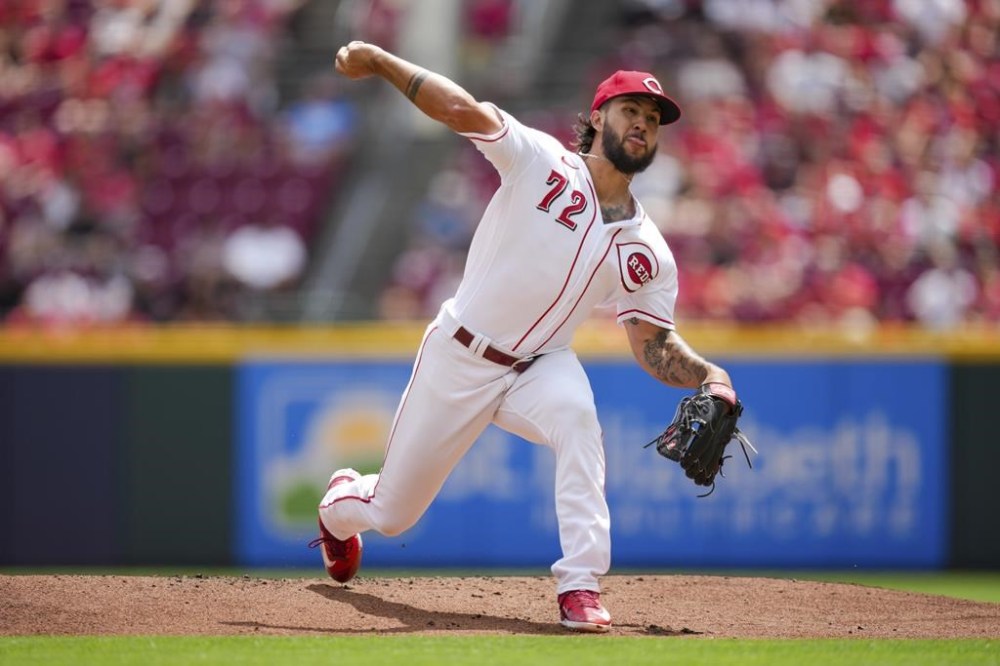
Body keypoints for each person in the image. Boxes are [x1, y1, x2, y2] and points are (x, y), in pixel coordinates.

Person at [311, 40, 740, 633]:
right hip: (461, 353)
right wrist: (383, 62)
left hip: (541, 364)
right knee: (392, 514)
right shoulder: (543, 162)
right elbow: (461, 110)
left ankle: (581, 585)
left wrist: (710, 376)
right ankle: (339, 508)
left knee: (579, 421)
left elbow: (653, 343)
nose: (641, 124)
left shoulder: (650, 250)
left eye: (651, 119)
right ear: (597, 118)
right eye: (629, 111)